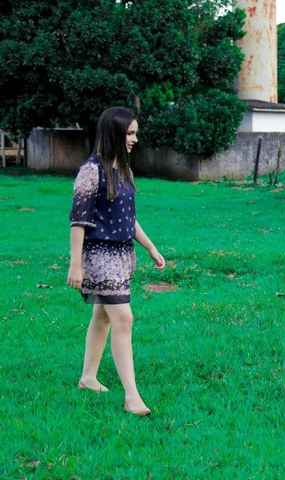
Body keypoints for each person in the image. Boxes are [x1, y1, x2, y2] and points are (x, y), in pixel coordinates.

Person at [67, 106, 165, 416]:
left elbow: (129, 219)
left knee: (103, 316)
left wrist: (150, 247)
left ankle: (88, 377)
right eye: (131, 133)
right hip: (99, 255)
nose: (136, 138)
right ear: (114, 134)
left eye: (136, 132)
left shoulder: (123, 170)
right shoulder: (90, 171)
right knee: (123, 318)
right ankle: (132, 396)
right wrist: (75, 264)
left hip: (123, 254)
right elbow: (78, 221)